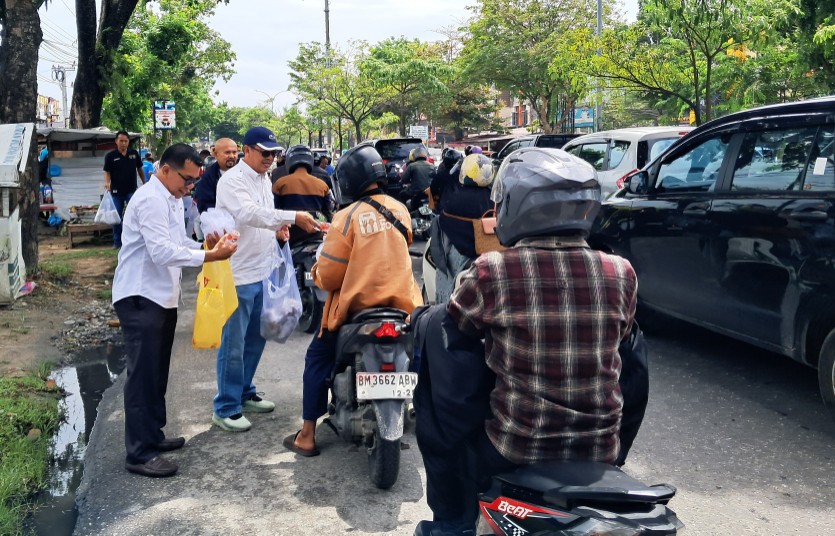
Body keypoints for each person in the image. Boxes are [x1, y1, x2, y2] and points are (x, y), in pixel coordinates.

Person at [411, 148, 638, 535]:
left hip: (514, 448)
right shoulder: (621, 271)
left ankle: (452, 523)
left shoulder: (490, 272)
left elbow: (456, 326)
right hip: (603, 449)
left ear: (516, 207)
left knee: (432, 327)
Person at [283, 144, 423, 457]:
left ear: (347, 180)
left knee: (318, 358)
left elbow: (330, 275)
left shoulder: (345, 217)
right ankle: (420, 413)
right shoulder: (400, 210)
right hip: (404, 308)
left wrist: (317, 274)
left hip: (356, 312)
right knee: (421, 357)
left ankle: (306, 434)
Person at [112, 143, 238, 478]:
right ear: (164, 170)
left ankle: (152, 436)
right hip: (140, 296)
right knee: (142, 377)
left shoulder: (170, 199)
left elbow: (178, 243)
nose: (189, 186)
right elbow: (160, 252)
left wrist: (206, 246)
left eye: (194, 181)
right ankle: (139, 453)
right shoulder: (150, 199)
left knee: (157, 372)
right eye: (186, 179)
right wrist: (210, 257)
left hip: (159, 296)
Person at [212, 127, 319, 432]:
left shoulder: (265, 179)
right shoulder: (232, 181)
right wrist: (291, 217)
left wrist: (278, 231)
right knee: (233, 344)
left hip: (262, 269)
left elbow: (263, 216)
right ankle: (225, 406)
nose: (270, 158)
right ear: (247, 151)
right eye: (264, 153)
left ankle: (244, 392)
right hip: (238, 273)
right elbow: (248, 213)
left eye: (273, 153)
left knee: (257, 338)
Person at [430, 153, 495, 303]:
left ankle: (443, 304)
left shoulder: (453, 200)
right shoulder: (496, 199)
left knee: (443, 273)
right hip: (492, 259)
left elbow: (443, 238)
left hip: (460, 259)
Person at [272, 144, 333, 245]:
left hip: (288, 238)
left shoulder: (280, 184)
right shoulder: (322, 185)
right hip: (316, 236)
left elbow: (273, 210)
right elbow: (329, 211)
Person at [104, 130, 145, 248]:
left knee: (135, 216)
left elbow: (140, 169)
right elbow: (107, 172)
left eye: (126, 141)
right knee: (116, 218)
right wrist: (107, 183)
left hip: (132, 191)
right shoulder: (110, 156)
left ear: (128, 142)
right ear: (116, 142)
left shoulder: (134, 154)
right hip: (116, 193)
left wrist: (145, 183)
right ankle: (117, 242)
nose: (123, 143)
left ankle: (136, 241)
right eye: (121, 141)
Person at [194, 138, 239, 213]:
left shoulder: (245, 173)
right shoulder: (207, 178)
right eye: (227, 152)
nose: (231, 156)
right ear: (215, 154)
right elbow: (205, 207)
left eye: (234, 152)